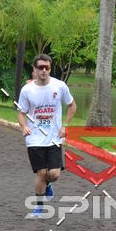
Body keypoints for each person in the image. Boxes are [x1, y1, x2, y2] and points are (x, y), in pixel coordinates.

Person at [17, 53, 76, 217]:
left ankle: (48, 185)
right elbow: (21, 113)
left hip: (54, 138)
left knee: (54, 174)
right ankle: (39, 206)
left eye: (47, 67)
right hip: (35, 138)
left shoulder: (60, 86)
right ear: (35, 69)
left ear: (50, 68)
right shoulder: (27, 90)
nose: (44, 70)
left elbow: (72, 106)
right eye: (40, 67)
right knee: (41, 173)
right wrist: (24, 127)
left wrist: (66, 125)